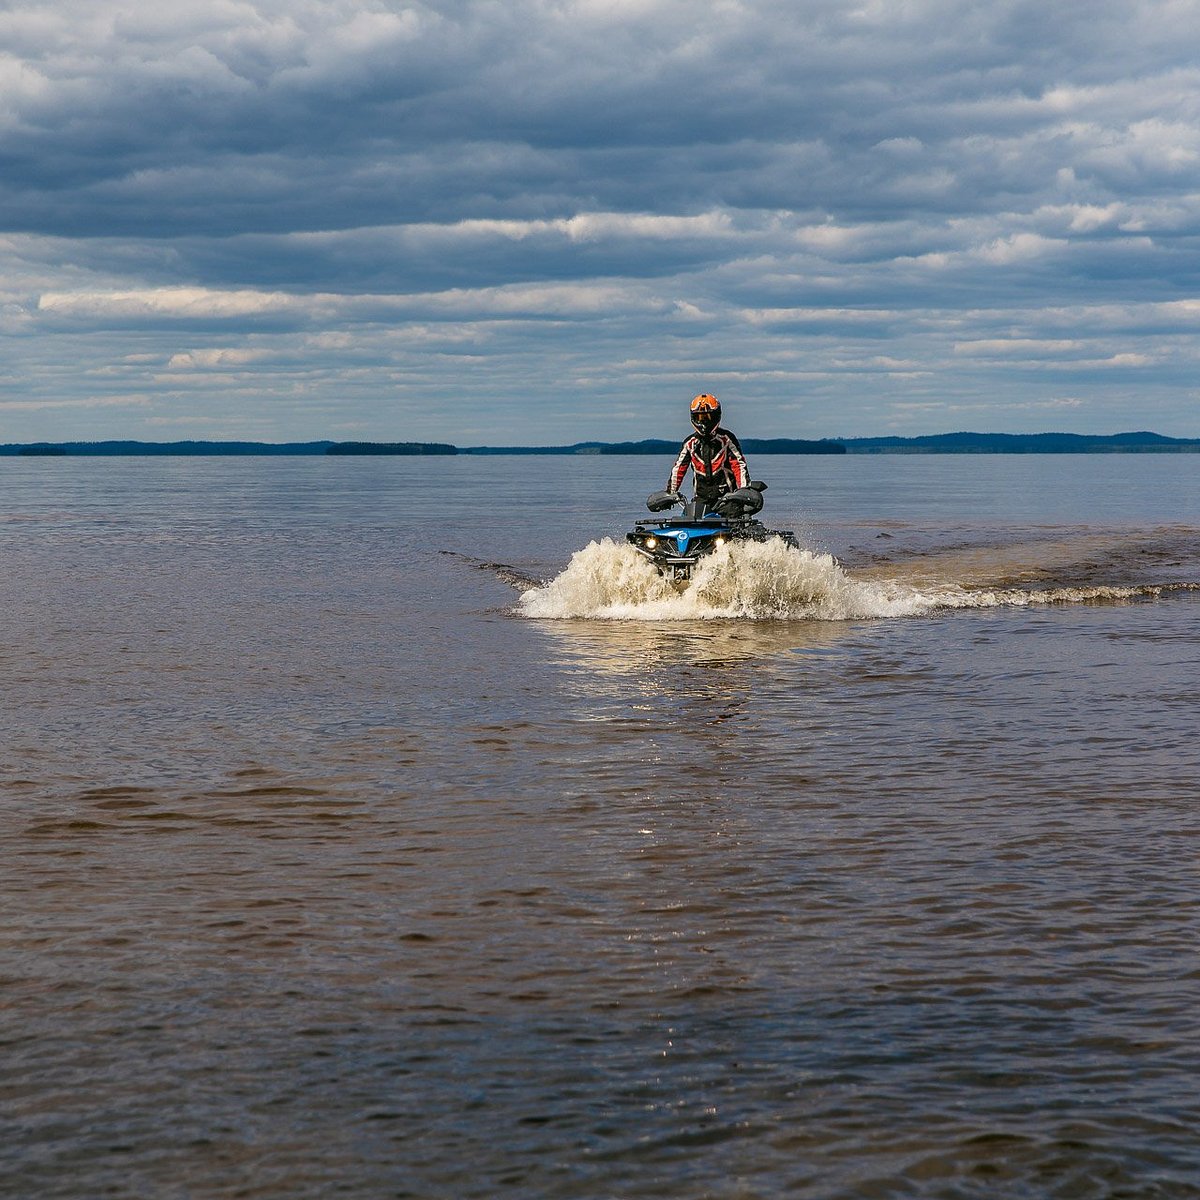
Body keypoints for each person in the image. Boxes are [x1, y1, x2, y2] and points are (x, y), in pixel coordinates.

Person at [667, 393, 750, 509]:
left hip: (728, 499)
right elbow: (679, 468)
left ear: (716, 416)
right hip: (700, 501)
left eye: (708, 417)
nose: (704, 421)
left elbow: (739, 465)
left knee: (732, 514)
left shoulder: (727, 439)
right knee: (688, 518)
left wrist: (744, 491)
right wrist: (670, 494)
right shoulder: (689, 443)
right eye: (700, 417)